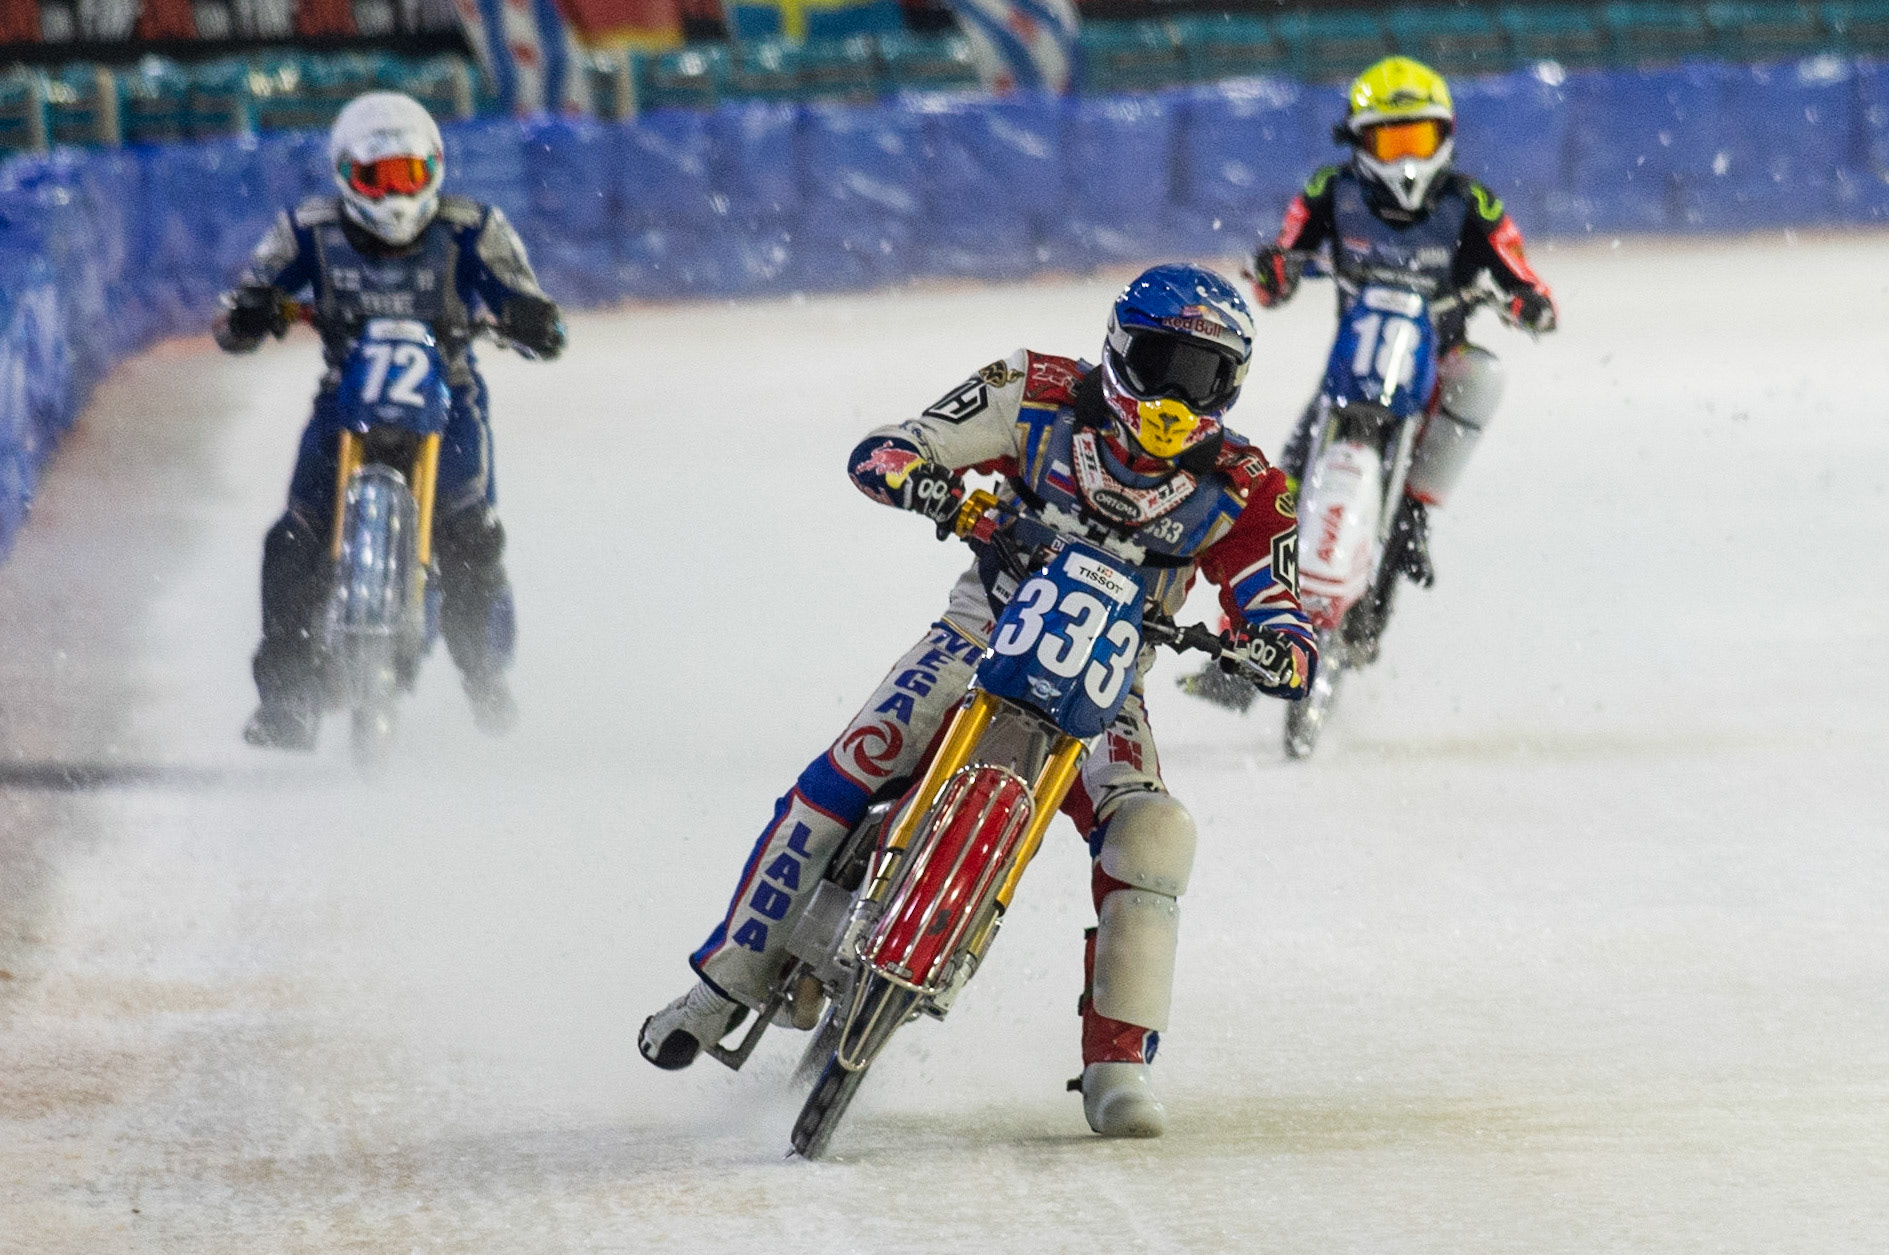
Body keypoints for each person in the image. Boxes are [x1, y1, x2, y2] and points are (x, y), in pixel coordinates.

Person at [639, 264, 1315, 1138]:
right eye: (1159, 364)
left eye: (1204, 376)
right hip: (978, 633)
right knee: (855, 762)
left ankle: (1117, 1068)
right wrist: (923, 484)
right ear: (1116, 349)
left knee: (1152, 833)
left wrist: (1277, 649)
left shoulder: (1248, 485)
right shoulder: (1031, 390)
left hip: (1110, 683)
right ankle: (720, 982)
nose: (1177, 396)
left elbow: (1281, 608)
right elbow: (892, 446)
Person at [213, 91, 566, 750]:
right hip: (344, 400)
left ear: (433, 169)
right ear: (346, 175)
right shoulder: (307, 229)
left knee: (472, 534)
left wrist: (530, 319)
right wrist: (251, 312)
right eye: (377, 177)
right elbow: (237, 311)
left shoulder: (473, 228)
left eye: (407, 174)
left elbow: (539, 316)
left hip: (450, 401)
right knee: (292, 538)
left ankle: (483, 674)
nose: (393, 192)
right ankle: (287, 696)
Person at [1252, 54, 1557, 591]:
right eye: (1390, 143)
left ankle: (1415, 510)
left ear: (1445, 135)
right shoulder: (1330, 188)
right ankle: (1239, 624)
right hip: (1348, 371)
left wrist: (1528, 301)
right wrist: (1276, 271)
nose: (1406, 157)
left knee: (1482, 375)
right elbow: (1279, 263)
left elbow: (1520, 272)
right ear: (1358, 142)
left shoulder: (1473, 201)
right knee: (1276, 497)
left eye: (1417, 138)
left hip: (1436, 368)